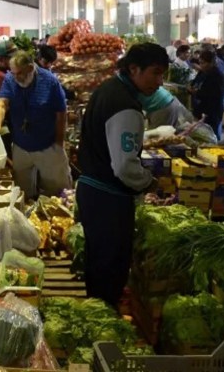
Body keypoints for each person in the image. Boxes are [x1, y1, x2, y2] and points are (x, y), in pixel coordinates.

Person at [77, 43, 169, 309]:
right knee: (110, 268)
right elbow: (124, 166)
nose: (159, 82)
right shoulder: (125, 106)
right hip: (108, 199)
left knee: (98, 263)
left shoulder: (107, 89)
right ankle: (103, 318)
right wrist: (149, 182)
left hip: (92, 191)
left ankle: (96, 313)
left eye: (162, 74)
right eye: (155, 73)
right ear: (134, 69)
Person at [0, 51, 71, 199]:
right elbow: (1, 104)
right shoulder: (10, 79)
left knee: (57, 191)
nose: (16, 77)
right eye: (13, 73)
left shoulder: (50, 81)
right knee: (22, 192)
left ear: (30, 68)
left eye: (19, 73)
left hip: (47, 144)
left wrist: (59, 143)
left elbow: (61, 113)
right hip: (21, 145)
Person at [189, 50, 224, 139]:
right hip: (200, 110)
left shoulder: (217, 76)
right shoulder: (202, 72)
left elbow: (213, 94)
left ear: (212, 63)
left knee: (211, 136)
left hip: (212, 112)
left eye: (204, 63)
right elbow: (194, 83)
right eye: (200, 63)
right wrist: (191, 88)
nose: (201, 65)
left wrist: (196, 92)